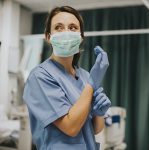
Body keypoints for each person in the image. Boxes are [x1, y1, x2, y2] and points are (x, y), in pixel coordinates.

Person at [23, 6, 111, 150]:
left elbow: (94, 129)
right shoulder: (40, 77)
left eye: (72, 27)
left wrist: (99, 113)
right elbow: (71, 127)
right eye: (58, 27)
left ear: (81, 37)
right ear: (48, 37)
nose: (66, 32)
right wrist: (91, 85)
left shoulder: (85, 76)